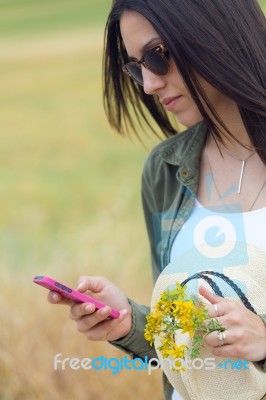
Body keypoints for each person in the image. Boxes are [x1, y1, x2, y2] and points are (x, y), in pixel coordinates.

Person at [48, 0, 266, 399]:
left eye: (157, 56)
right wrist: (132, 325)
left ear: (216, 31)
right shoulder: (165, 170)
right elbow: (189, 352)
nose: (149, 84)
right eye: (137, 67)